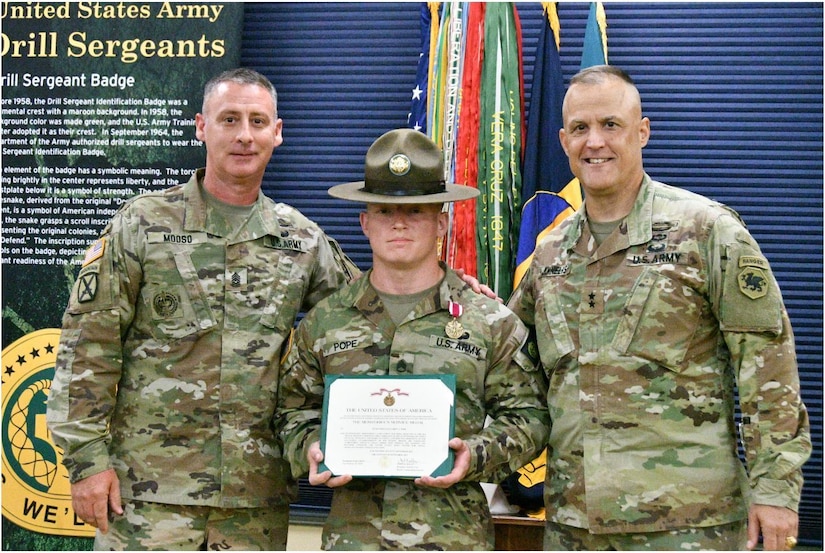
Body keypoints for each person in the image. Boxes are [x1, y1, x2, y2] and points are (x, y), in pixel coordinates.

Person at [45, 68, 361, 550]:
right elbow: (88, 345)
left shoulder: (301, 239)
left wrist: (451, 290)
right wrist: (86, 462)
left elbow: (369, 311)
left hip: (255, 498)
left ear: (277, 133)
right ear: (200, 126)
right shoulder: (143, 224)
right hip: (148, 496)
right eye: (229, 119)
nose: (243, 135)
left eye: (258, 121)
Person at [507, 64, 811, 551]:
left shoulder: (708, 232)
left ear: (642, 132)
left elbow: (769, 368)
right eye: (580, 129)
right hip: (575, 526)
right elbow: (513, 363)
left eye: (611, 125)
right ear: (563, 141)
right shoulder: (550, 253)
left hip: (688, 525)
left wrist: (776, 490)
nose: (595, 143)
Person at [277, 128, 549, 550]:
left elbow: (530, 416)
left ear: (442, 221)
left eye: (416, 211)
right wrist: (311, 447)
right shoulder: (325, 322)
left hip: (452, 538)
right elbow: (291, 412)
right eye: (384, 211)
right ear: (364, 222)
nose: (399, 222)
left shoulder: (488, 320)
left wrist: (474, 454)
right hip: (354, 539)